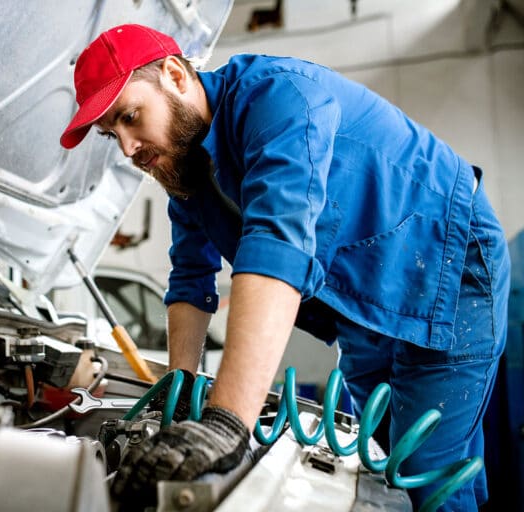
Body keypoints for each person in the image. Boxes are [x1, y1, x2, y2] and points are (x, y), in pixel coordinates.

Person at [60, 23, 510, 511]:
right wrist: (179, 401)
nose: (127, 148)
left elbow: (277, 244)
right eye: (112, 135)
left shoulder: (277, 98)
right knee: (380, 471)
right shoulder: (188, 169)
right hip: (361, 303)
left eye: (130, 116)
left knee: (425, 479)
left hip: (447, 266)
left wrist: (225, 423)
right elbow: (190, 280)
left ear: (175, 74)